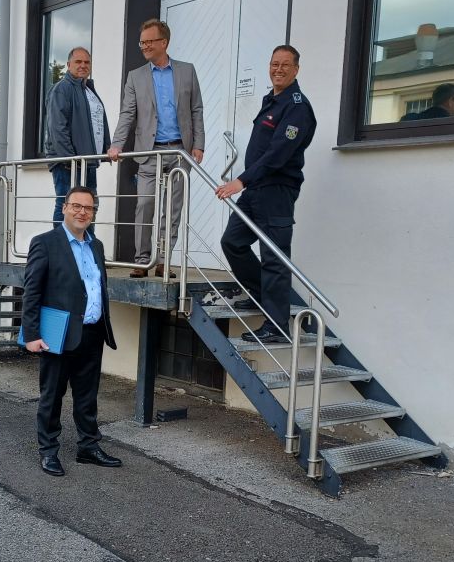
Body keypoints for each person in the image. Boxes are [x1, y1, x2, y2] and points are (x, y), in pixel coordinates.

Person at [215, 45, 317, 344]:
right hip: (257, 188)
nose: (278, 69)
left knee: (274, 256)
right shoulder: (272, 100)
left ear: (296, 69)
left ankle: (277, 326)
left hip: (276, 191)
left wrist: (241, 180)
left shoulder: (297, 107)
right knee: (233, 241)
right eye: (274, 64)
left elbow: (278, 154)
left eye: (285, 65)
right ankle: (260, 294)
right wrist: (248, 182)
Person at [22, 186, 121, 477]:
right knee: (52, 396)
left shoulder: (96, 245)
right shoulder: (45, 243)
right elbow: (32, 291)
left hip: (92, 332)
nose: (82, 212)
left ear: (93, 213)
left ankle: (88, 447)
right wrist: (31, 334)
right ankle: (48, 451)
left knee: (87, 396)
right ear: (64, 208)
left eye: (88, 208)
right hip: (58, 334)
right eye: (76, 206)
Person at [107, 19, 205, 279]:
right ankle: (142, 260)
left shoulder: (187, 71)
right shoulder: (135, 76)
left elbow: (196, 109)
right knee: (145, 204)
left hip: (180, 150)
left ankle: (164, 260)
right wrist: (117, 144)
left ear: (164, 42)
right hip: (148, 151)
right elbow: (127, 113)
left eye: (149, 42)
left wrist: (199, 145)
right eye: (142, 42)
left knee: (172, 209)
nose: (144, 47)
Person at [45, 46, 110, 226]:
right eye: (78, 61)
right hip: (69, 163)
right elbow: (57, 127)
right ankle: (61, 243)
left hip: (87, 161)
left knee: (90, 206)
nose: (83, 65)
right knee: (67, 205)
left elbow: (96, 123)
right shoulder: (62, 89)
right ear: (68, 65)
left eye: (87, 62)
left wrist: (105, 150)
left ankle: (86, 244)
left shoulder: (88, 90)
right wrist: (70, 159)